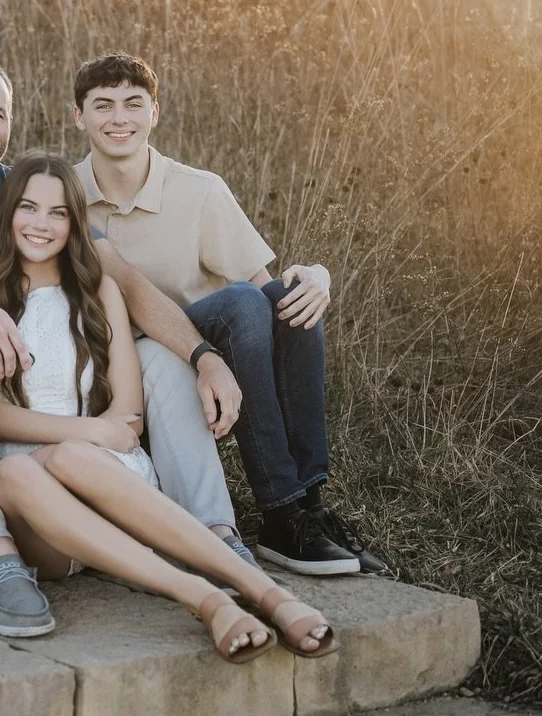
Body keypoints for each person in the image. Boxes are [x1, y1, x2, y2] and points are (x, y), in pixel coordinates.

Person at [0, 53, 251, 638]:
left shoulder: (25, 190)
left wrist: (203, 356)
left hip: (57, 397)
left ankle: (215, 537)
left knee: (158, 359)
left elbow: (125, 283)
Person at [0, 152, 340, 662]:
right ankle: (206, 598)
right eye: (28, 208)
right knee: (16, 473)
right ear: (7, 215)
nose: (41, 224)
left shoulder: (100, 293)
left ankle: (269, 595)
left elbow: (129, 415)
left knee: (70, 458)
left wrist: (94, 438)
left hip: (108, 483)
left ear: (75, 223)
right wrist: (89, 431)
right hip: (38, 516)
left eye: (58, 212)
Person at [71, 51, 386, 574]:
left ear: (156, 112)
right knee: (241, 301)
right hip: (131, 363)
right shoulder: (65, 197)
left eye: (133, 103)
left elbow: (269, 297)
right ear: (78, 116)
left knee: (286, 300)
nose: (118, 118)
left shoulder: (199, 190)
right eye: (102, 106)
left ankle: (307, 506)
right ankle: (283, 511)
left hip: (204, 347)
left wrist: (312, 281)